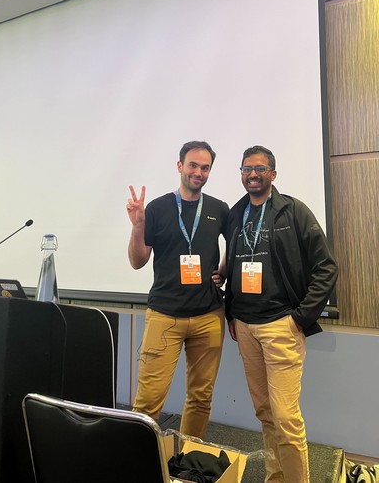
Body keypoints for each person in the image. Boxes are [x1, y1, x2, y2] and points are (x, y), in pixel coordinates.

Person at [224, 145, 338, 483]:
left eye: (260, 168)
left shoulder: (294, 211)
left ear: (273, 174)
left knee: (286, 417)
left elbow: (326, 267)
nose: (253, 174)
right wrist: (231, 309)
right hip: (244, 326)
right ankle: (276, 479)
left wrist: (300, 318)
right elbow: (234, 261)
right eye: (246, 169)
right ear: (241, 174)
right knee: (265, 413)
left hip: (281, 326)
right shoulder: (235, 213)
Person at [126, 140, 229, 439]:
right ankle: (138, 463)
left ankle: (188, 460)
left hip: (208, 316)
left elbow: (236, 246)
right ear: (180, 166)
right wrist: (137, 227)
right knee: (147, 403)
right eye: (193, 165)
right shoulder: (157, 208)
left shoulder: (218, 209)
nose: (198, 172)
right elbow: (137, 261)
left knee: (200, 400)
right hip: (164, 316)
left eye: (205, 167)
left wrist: (222, 272)